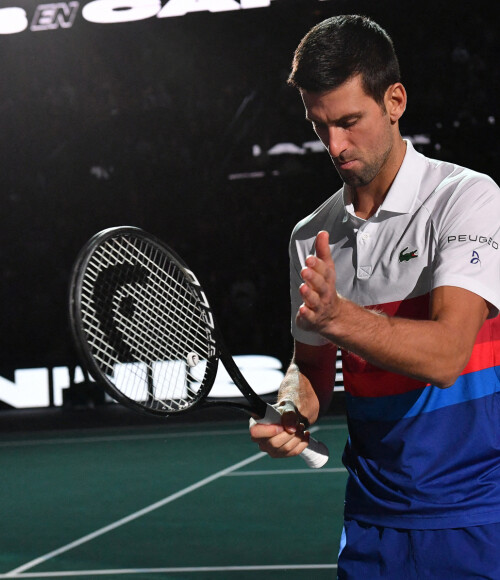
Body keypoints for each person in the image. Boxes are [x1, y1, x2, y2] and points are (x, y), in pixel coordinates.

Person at [249, 14, 500, 578]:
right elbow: (311, 366)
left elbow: (446, 356)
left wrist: (339, 316)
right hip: (371, 521)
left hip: (478, 515)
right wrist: (291, 409)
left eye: (349, 121)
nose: (334, 146)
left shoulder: (467, 198)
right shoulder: (311, 235)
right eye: (319, 127)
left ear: (395, 100)